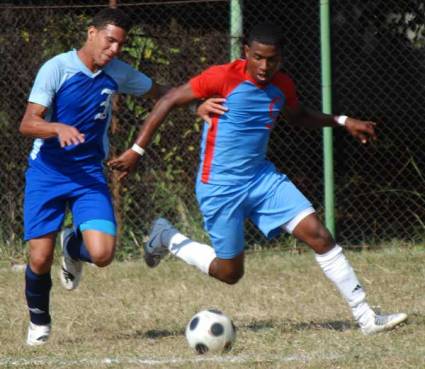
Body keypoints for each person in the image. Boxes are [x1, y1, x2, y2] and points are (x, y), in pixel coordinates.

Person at [109, 23, 407, 335]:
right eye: (258, 58)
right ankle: (167, 237)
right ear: (246, 53)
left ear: (281, 59)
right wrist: (136, 150)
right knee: (229, 273)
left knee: (318, 234)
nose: (265, 66)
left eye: (272, 60)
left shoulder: (282, 85)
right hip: (220, 187)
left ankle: (367, 318)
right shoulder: (222, 76)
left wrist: (342, 121)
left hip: (261, 179)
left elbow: (297, 116)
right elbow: (169, 99)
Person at [19, 8, 221, 346]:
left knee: (103, 254)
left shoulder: (117, 73)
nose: (113, 50)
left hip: (88, 175)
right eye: (109, 41)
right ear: (91, 33)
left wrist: (194, 105)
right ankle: (39, 322)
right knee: (39, 258)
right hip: (48, 173)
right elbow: (27, 122)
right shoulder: (56, 68)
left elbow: (162, 93)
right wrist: (56, 127)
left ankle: (72, 243)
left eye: (120, 45)